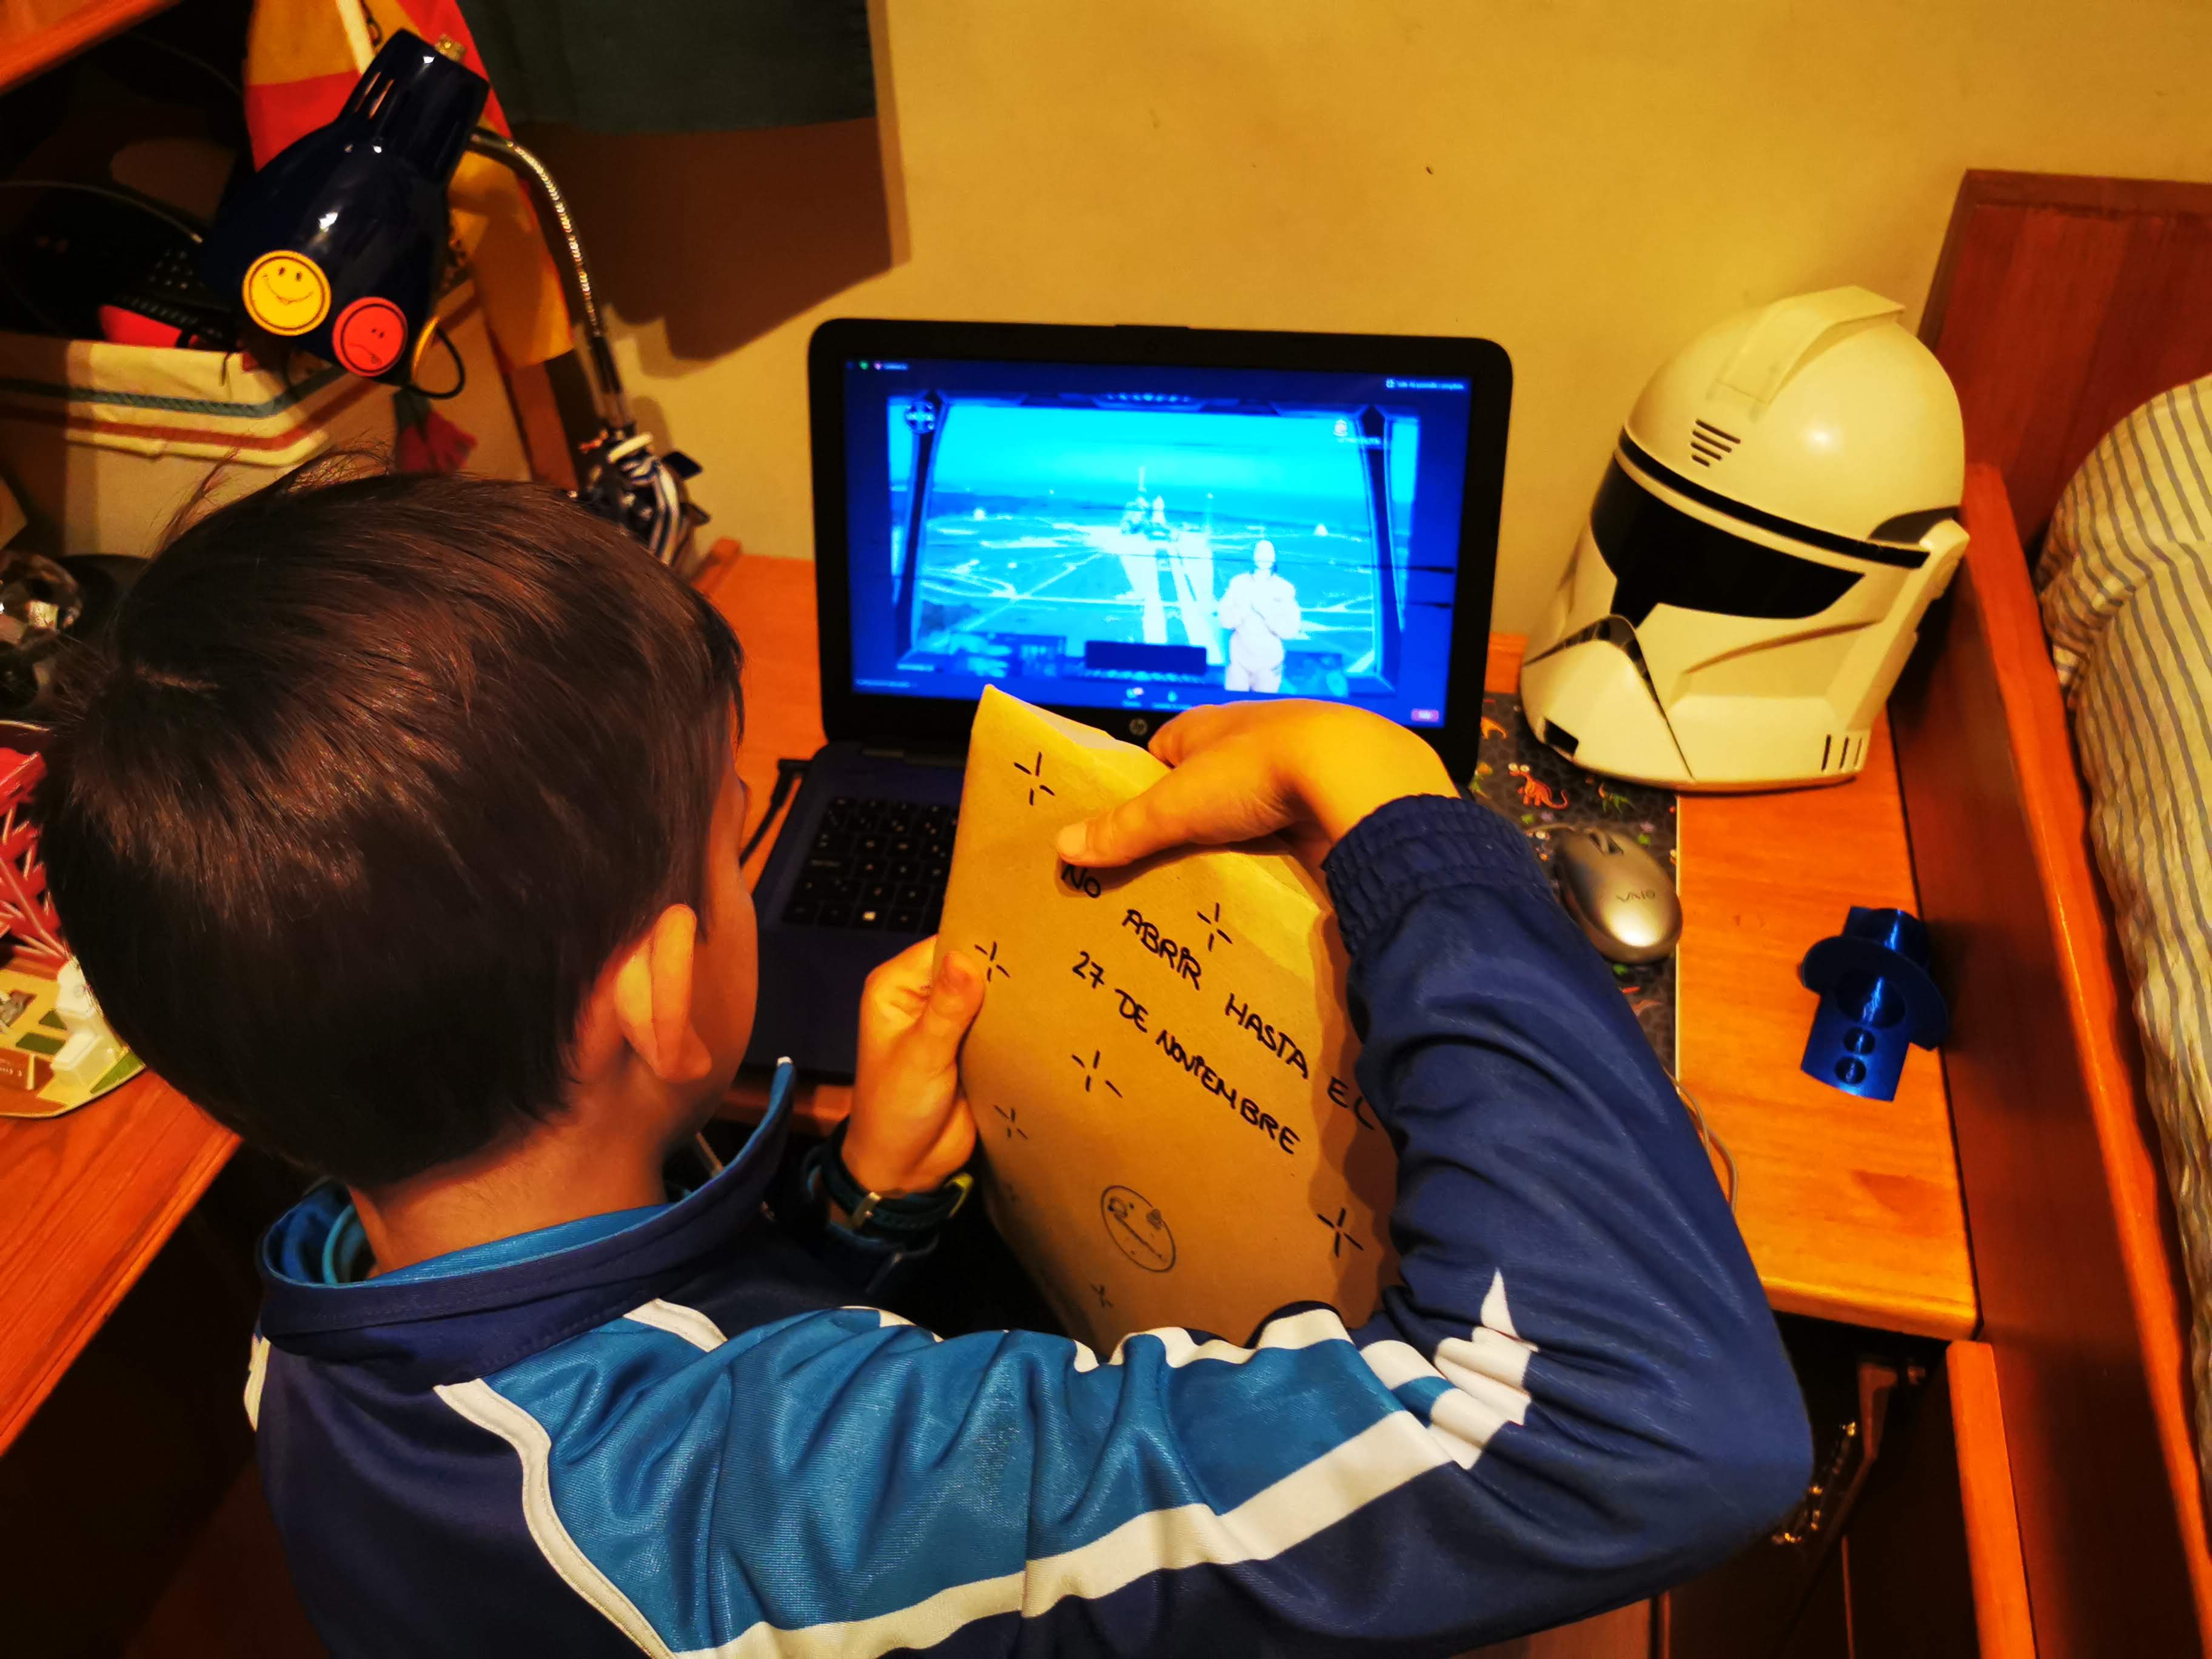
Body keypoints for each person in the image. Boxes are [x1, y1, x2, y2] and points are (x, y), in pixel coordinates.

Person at [38, 463, 1809, 1657]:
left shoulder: (310, 1330)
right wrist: (1402, 812)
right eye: (735, 833)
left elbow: (653, 1374)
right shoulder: (782, 1501)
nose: (746, 858)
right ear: (668, 994)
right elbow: (1642, 1429)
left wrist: (854, 1216)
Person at [1217, 537, 1302, 692]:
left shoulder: (1285, 589)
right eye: (1260, 552)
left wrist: (1266, 613)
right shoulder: (1239, 583)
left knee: (1265, 706)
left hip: (1269, 666)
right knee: (1233, 704)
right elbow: (1225, 621)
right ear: (1254, 556)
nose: (1264, 556)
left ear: (1274, 557)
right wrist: (1243, 610)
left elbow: (1290, 631)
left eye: (1268, 553)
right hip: (1239, 663)